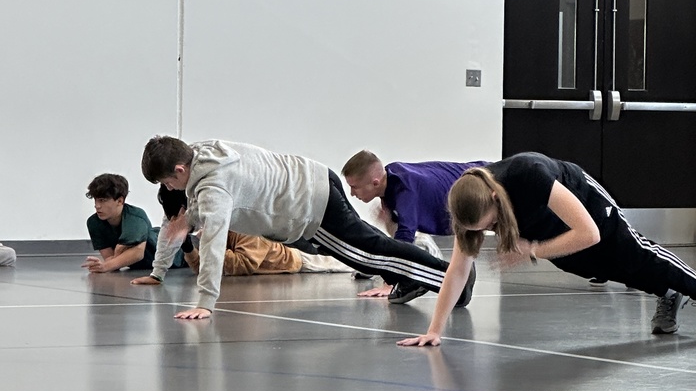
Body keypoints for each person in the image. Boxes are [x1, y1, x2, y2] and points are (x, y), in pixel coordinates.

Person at [398, 152, 696, 347]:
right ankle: (668, 293)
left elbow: (589, 233)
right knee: (605, 269)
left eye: (490, 224)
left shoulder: (527, 175)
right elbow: (457, 270)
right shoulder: (468, 212)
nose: (487, 232)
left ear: (496, 200)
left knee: (632, 254)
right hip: (546, 229)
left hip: (586, 207)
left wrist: (531, 251)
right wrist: (434, 331)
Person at [138, 136, 476, 319]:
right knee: (368, 252)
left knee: (368, 255)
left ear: (181, 170)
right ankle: (437, 275)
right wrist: (159, 272)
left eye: (167, 181)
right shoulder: (202, 152)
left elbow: (212, 239)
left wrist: (205, 302)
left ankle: (451, 278)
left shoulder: (213, 186)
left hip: (309, 204)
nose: (168, 188)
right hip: (311, 183)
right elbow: (181, 218)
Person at [131, 185, 348, 284]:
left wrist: (207, 243)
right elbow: (204, 268)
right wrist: (187, 247)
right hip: (275, 259)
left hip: (299, 256)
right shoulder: (200, 217)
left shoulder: (241, 217)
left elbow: (245, 264)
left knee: (345, 262)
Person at [341, 150, 486, 296]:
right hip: (476, 177)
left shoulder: (405, 192)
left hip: (487, 181)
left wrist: (391, 284)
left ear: (375, 183)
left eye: (354, 187)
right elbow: (397, 234)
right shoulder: (392, 175)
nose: (352, 193)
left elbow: (404, 240)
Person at [83, 173, 175, 274]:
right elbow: (111, 259)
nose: (97, 206)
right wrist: (103, 265)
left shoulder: (136, 216)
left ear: (120, 201)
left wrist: (106, 266)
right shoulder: (94, 223)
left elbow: (137, 253)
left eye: (102, 200)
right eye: (95, 200)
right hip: (145, 267)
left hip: (174, 256)